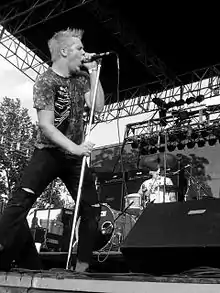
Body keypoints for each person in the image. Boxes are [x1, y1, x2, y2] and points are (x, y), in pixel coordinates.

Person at [0, 28, 105, 272]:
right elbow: (46, 126)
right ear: (65, 51)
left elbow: (97, 107)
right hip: (48, 151)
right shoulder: (46, 81)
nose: (83, 52)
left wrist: (93, 72)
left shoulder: (81, 78)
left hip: (73, 157)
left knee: (92, 208)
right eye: (79, 48)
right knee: (20, 202)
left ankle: (82, 267)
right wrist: (76, 148)